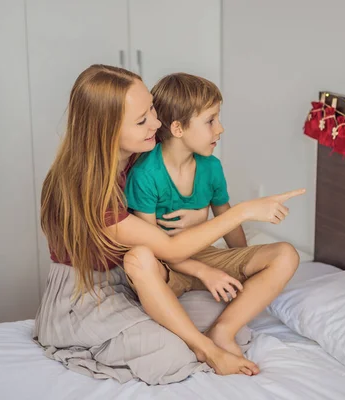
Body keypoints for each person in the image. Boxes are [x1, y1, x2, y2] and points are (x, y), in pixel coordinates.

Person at [34, 64, 305, 380]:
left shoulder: (141, 155)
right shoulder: (85, 187)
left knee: (239, 329)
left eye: (151, 108)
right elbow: (169, 249)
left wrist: (200, 219)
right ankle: (204, 348)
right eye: (142, 120)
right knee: (170, 355)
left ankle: (210, 340)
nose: (157, 123)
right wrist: (242, 211)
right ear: (106, 130)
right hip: (89, 293)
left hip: (139, 280)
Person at [124, 72, 302, 359]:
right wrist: (205, 273)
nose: (220, 129)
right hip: (169, 266)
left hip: (203, 255)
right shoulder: (146, 174)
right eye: (210, 121)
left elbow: (226, 218)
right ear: (179, 129)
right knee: (144, 263)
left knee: (287, 254)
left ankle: (223, 330)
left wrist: (244, 263)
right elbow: (152, 247)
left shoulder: (211, 167)